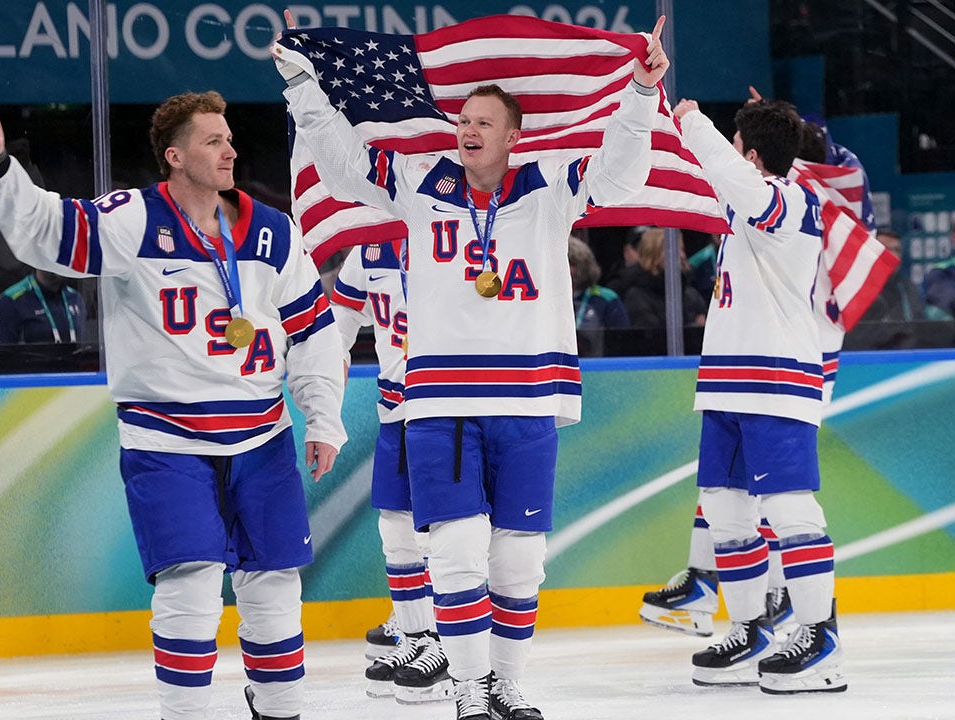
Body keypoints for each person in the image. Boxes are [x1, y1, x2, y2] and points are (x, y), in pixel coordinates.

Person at [276, 13, 670, 719]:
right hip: (440, 402)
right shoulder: (418, 181)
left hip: (527, 401)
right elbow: (340, 162)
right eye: (463, 117)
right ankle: (467, 689)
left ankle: (506, 685)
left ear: (514, 135)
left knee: (520, 564)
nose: (468, 128)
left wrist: (641, 91)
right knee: (456, 555)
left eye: (484, 120)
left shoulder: (551, 185)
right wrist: (303, 82)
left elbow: (620, 174)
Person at [0, 90, 347, 720]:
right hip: (166, 439)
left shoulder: (275, 232)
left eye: (229, 139)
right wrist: (1, 166)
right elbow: (46, 233)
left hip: (262, 435)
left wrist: (324, 418)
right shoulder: (132, 221)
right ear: (174, 156)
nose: (229, 149)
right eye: (212, 141)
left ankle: (280, 708)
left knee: (275, 584)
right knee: (191, 585)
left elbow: (312, 332)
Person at [674, 96, 846, 694]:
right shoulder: (741, 203)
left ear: (749, 154)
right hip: (726, 379)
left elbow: (732, 179)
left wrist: (691, 122)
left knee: (790, 507)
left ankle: (820, 635)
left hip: (777, 377)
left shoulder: (792, 200)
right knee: (724, 506)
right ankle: (751, 628)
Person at [330, 241, 452, 702]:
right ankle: (417, 638)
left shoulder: (454, 234)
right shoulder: (369, 249)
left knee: (443, 531)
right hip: (393, 409)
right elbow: (337, 327)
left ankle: (449, 643)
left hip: (446, 405)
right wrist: (327, 375)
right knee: (396, 530)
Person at [621, 227, 707, 331]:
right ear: (652, 254)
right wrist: (693, 328)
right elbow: (651, 337)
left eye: (682, 249)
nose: (681, 256)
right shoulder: (636, 296)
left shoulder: (691, 295)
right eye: (674, 250)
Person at [568, 236, 630, 357]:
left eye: (570, 263)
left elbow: (623, 343)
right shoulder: (542, 300)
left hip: (598, 368)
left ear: (582, 266)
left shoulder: (606, 299)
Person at [0, 269, 84, 345]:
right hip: (30, 367)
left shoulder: (75, 297)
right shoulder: (11, 300)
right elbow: (2, 357)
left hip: (72, 366)